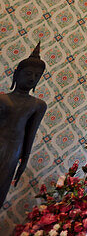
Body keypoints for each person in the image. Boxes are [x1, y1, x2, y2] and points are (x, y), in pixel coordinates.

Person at [0, 43, 47, 207]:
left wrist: (24, 160)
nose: (32, 78)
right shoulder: (3, 99)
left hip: (13, 152)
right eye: (28, 73)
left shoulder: (38, 105)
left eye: (37, 76)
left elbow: (30, 134)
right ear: (17, 74)